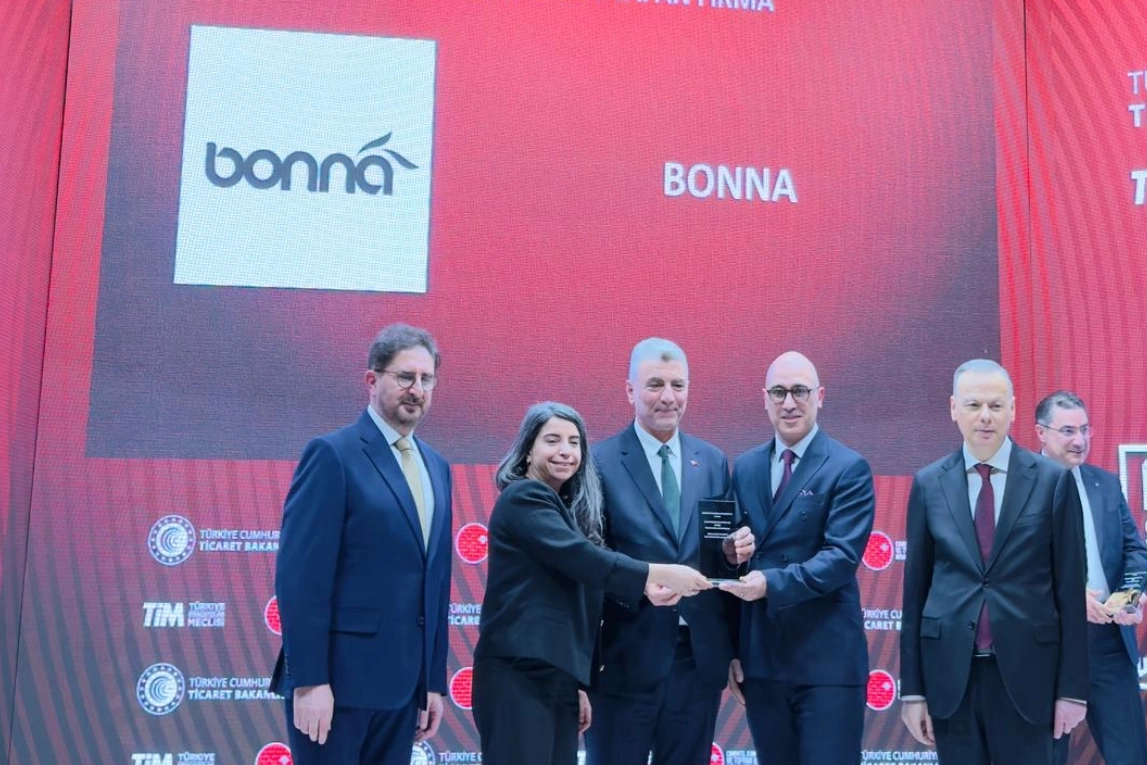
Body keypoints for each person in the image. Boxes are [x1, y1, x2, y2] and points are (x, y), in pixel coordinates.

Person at [471, 401, 712, 765]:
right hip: (519, 675)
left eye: (574, 442)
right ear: (528, 450)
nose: (565, 451)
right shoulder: (524, 497)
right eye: (552, 440)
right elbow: (584, 559)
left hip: (555, 674)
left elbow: (582, 576)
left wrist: (578, 681)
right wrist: (659, 573)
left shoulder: (560, 507)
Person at [271, 324, 452, 765]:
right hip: (336, 688)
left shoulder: (437, 466)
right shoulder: (332, 454)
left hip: (403, 691)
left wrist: (432, 682)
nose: (417, 390)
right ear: (372, 380)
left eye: (426, 379)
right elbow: (301, 579)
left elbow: (436, 582)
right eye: (405, 377)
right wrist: (310, 681)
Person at [899, 359, 1088, 765]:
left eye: (996, 405)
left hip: (1030, 681)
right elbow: (915, 594)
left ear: (1013, 409)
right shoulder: (929, 484)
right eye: (973, 405)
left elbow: (1071, 593)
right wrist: (913, 692)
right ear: (954, 408)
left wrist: (1072, 691)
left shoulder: (1052, 481)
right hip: (952, 680)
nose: (985, 416)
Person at [587, 338, 754, 765]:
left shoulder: (711, 460)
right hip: (623, 655)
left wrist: (733, 554)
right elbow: (589, 558)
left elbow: (721, 556)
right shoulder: (598, 461)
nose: (668, 397)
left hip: (697, 660)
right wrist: (639, 586)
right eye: (655, 384)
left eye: (678, 385)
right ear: (630, 391)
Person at [719, 350, 876, 765]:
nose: (789, 403)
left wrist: (770, 582)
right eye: (779, 392)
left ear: (820, 396)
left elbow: (840, 559)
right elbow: (732, 559)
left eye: (799, 391)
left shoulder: (848, 467)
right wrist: (730, 554)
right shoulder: (746, 467)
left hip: (827, 664)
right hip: (762, 661)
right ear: (765, 399)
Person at [1037, 391, 1147, 765]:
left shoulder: (1106, 483)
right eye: (1068, 431)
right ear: (1041, 432)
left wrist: (1129, 596)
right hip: (1047, 648)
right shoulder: (1018, 489)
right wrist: (1068, 596)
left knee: (1130, 755)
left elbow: (1135, 550)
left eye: (1085, 430)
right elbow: (1008, 570)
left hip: (1108, 645)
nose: (1080, 440)